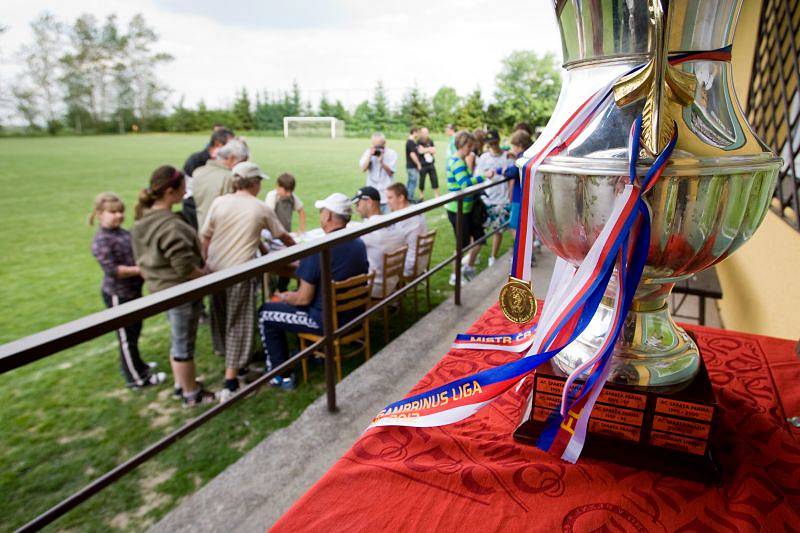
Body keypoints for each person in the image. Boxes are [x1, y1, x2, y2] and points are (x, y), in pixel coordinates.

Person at [201, 162, 295, 403]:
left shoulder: (220, 202)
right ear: (253, 183)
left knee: (222, 318)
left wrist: (205, 265)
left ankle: (236, 365)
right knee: (239, 323)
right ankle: (231, 381)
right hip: (239, 271)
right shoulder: (260, 207)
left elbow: (206, 236)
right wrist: (302, 251)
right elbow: (282, 236)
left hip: (214, 270)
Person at [257, 193, 368, 390]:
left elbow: (302, 298)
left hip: (326, 322)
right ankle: (311, 354)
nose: (320, 215)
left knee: (266, 313)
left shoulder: (319, 249)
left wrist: (282, 297)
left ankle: (280, 374)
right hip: (354, 316)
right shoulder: (359, 243)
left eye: (322, 211)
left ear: (328, 217)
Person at [132, 166, 215, 406]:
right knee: (183, 343)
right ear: (170, 191)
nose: (186, 191)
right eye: (182, 187)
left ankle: (182, 385)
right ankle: (191, 394)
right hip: (180, 292)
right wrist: (205, 275)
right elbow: (183, 267)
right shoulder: (170, 225)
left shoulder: (143, 221)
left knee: (178, 338)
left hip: (161, 291)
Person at [90, 193, 166, 389]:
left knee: (134, 332)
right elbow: (113, 270)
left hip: (133, 292)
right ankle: (137, 379)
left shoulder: (122, 233)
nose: (118, 215)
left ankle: (138, 365)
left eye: (121, 211)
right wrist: (141, 270)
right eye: (112, 212)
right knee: (126, 338)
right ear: (100, 214)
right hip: (118, 295)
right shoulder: (102, 240)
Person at [445, 131, 493, 286]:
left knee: (477, 239)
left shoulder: (457, 159)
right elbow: (464, 184)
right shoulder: (458, 162)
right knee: (461, 245)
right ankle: (455, 276)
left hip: (465, 208)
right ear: (462, 145)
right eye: (470, 146)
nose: (471, 150)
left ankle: (467, 268)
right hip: (459, 209)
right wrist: (484, 176)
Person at [352, 186, 406, 297]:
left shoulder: (369, 231)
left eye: (358, 204)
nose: (357, 208)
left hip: (375, 287)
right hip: (393, 282)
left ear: (369, 202)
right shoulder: (394, 223)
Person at [182, 128, 235, 229]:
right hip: (194, 210)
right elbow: (188, 190)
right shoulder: (195, 160)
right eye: (230, 145)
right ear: (218, 144)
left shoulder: (227, 160)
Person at [193, 137, 249, 231]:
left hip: (202, 229)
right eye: (242, 162)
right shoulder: (231, 178)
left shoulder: (198, 172)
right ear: (231, 158)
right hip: (223, 235)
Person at [476, 130, 512, 267]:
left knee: (499, 230)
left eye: (495, 143)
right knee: (482, 230)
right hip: (488, 199)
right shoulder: (484, 158)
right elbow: (478, 175)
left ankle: (493, 257)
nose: (494, 146)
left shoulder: (507, 156)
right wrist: (486, 174)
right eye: (490, 144)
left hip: (502, 199)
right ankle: (474, 256)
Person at [386, 182, 428, 278]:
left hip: (410, 266)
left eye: (390, 198)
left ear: (401, 198)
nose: (387, 201)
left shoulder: (407, 218)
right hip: (421, 262)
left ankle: (392, 291)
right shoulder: (413, 209)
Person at [358, 132, 397, 209]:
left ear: (385, 143)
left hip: (386, 193)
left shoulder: (392, 153)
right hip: (372, 194)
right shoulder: (368, 152)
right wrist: (369, 156)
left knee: (387, 219)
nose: (377, 149)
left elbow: (391, 173)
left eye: (380, 146)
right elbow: (363, 169)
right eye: (375, 146)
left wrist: (382, 162)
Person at [416, 127, 438, 200]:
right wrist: (429, 149)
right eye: (424, 133)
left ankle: (436, 195)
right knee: (422, 180)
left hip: (431, 164)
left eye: (427, 133)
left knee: (434, 179)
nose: (426, 134)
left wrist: (425, 149)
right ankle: (421, 195)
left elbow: (434, 151)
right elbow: (420, 151)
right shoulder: (418, 141)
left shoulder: (430, 141)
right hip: (423, 164)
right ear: (421, 133)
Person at [404, 127, 422, 202]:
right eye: (417, 132)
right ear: (414, 132)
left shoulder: (412, 142)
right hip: (412, 166)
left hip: (410, 166)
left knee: (410, 182)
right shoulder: (410, 142)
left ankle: (407, 197)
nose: (418, 134)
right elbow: (412, 154)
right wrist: (418, 164)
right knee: (412, 182)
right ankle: (410, 198)